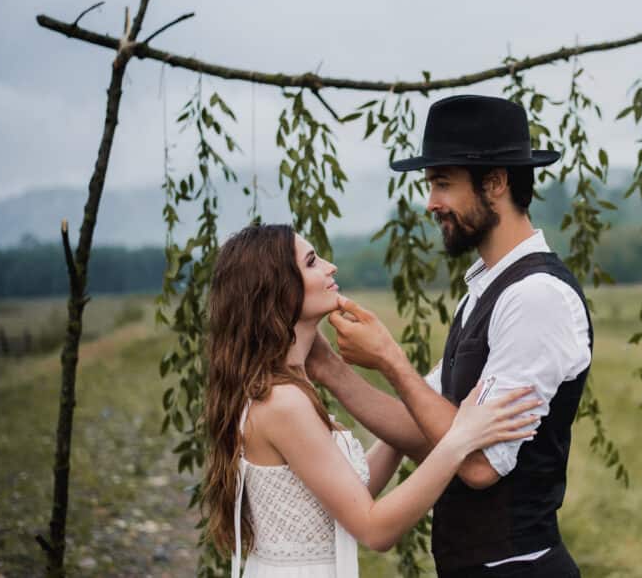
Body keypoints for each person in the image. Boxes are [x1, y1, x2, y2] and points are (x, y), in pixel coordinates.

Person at [316, 94, 592, 577]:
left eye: (442, 184)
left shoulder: (536, 298)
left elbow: (479, 464)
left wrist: (392, 363)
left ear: (496, 183)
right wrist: (328, 368)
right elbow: (430, 430)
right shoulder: (486, 291)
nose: (430, 204)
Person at [201, 223, 541, 578]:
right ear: (279, 290)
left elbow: (351, 494)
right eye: (312, 261)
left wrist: (414, 405)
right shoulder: (283, 402)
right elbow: (373, 529)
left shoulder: (284, 387)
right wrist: (460, 439)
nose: (330, 266)